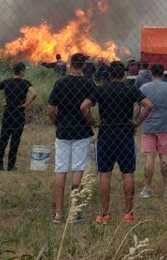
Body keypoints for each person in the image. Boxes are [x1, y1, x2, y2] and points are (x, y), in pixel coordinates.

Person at [81, 61, 153, 224]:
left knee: (105, 174)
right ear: (124, 74)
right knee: (127, 173)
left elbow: (84, 106)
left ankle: (105, 214)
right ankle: (128, 214)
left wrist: (93, 122)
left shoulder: (100, 90)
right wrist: (137, 122)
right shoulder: (131, 90)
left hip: (106, 134)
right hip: (125, 134)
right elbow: (148, 105)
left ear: (109, 74)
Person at [47, 53, 96, 223]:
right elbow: (87, 108)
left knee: (60, 169)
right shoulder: (89, 83)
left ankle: (58, 214)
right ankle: (74, 212)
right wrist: (91, 123)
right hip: (81, 131)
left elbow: (50, 110)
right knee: (78, 169)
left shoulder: (60, 83)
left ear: (70, 65)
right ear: (83, 66)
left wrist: (57, 123)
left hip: (63, 131)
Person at [138, 63, 167, 198]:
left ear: (151, 73)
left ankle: (146, 188)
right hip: (165, 126)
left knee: (149, 157)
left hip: (148, 127)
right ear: (163, 73)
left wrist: (136, 122)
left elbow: (136, 107)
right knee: (164, 156)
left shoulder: (144, 88)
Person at [0, 62, 37, 171]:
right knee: (15, 140)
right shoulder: (25, 83)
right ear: (21, 72)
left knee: (3, 139)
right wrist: (26, 104)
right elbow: (34, 93)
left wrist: (2, 102)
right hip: (19, 113)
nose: (25, 72)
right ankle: (11, 166)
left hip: (8, 113)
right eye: (24, 70)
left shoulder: (6, 82)